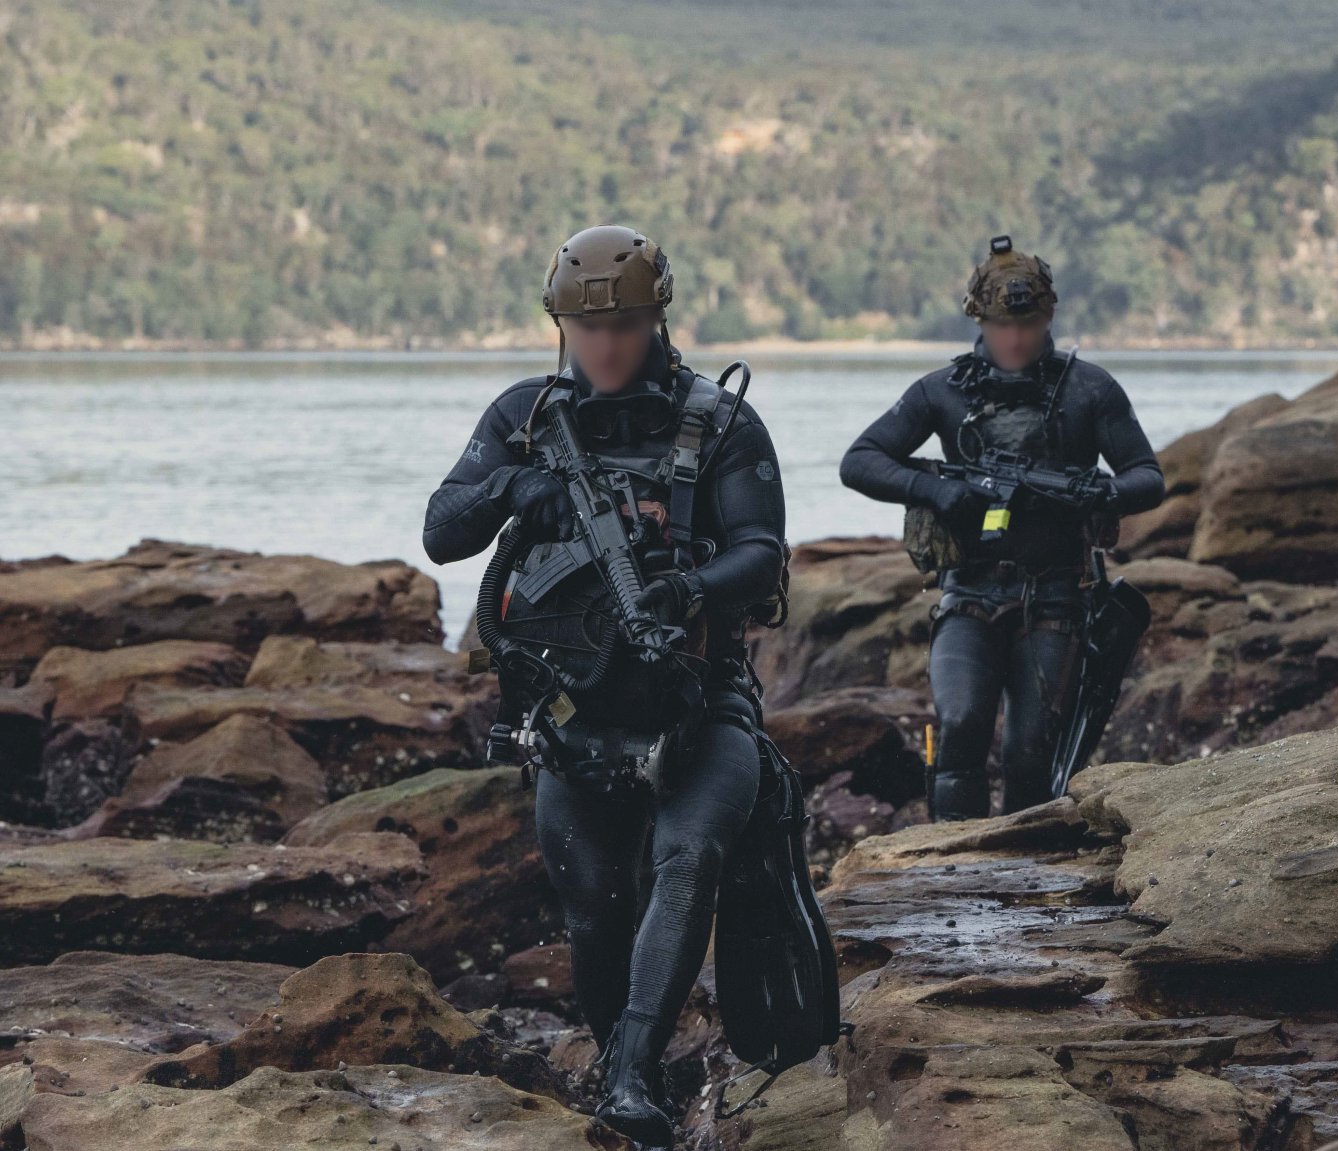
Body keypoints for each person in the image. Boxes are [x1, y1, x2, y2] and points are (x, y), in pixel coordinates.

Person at [421, 225, 788, 1147]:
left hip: (703, 710)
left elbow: (763, 554)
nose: (606, 344)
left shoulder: (724, 422)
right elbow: (441, 529)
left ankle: (628, 1078)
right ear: (560, 328)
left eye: (624, 323)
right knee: (593, 906)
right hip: (572, 719)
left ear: (657, 318)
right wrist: (514, 489)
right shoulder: (524, 415)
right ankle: (628, 1058)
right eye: (586, 327)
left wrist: (688, 587)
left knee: (687, 857)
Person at [839, 236, 1163, 821]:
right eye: (1001, 324)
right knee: (960, 727)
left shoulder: (1090, 390)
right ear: (979, 320)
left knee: (1029, 751)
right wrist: (937, 490)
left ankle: (1028, 885)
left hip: (1057, 599)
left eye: (1029, 324)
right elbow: (860, 461)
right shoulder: (941, 392)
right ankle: (948, 871)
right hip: (967, 596)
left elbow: (1149, 477)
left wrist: (1097, 492)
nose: (1014, 338)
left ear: (1049, 319)